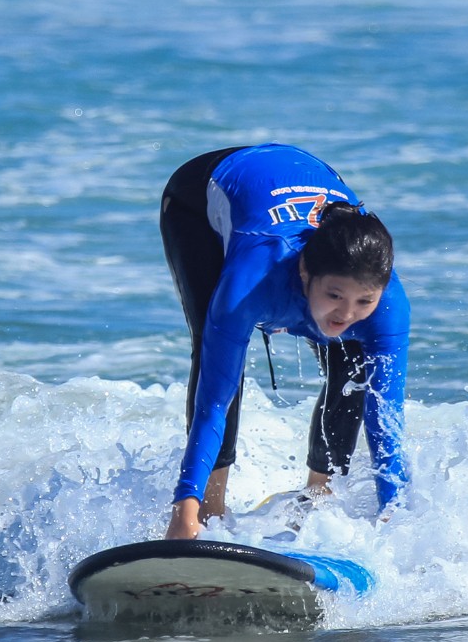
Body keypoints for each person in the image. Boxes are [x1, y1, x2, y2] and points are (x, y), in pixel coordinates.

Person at [158, 143, 410, 541]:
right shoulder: (252, 284)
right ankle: (207, 510)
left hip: (301, 172)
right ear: (306, 273)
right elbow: (213, 404)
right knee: (218, 357)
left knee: (354, 368)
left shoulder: (387, 306)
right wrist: (182, 507)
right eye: (334, 297)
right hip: (199, 196)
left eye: (363, 301)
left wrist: (394, 514)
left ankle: (318, 497)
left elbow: (386, 423)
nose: (346, 314)